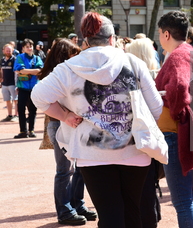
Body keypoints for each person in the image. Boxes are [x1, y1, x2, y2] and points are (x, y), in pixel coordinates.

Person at [31, 12, 163, 228]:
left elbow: (38, 97)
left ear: (86, 40)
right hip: (135, 150)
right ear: (112, 38)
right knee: (135, 212)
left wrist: (65, 115)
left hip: (91, 153)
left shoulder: (69, 68)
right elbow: (156, 107)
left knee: (109, 214)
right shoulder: (132, 62)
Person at [155, 11, 193, 228]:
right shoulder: (190, 52)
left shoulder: (179, 55)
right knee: (186, 198)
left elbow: (179, 87)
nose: (160, 38)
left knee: (182, 200)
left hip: (176, 134)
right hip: (186, 132)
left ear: (167, 34)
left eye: (160, 33)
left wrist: (176, 111)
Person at [36, 38, 96, 225]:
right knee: (65, 171)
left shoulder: (68, 72)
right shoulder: (54, 76)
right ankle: (65, 210)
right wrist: (67, 114)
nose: (77, 57)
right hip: (60, 126)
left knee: (80, 168)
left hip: (74, 126)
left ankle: (77, 204)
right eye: (73, 53)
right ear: (64, 55)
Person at [125, 37, 162, 228]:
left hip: (137, 141)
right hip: (151, 141)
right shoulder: (156, 75)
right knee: (148, 187)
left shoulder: (134, 75)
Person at [13, 38, 43, 138]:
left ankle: (31, 130)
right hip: (22, 88)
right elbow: (19, 70)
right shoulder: (20, 57)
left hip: (34, 88)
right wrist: (33, 71)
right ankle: (23, 131)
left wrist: (25, 71)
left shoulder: (37, 58)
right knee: (21, 109)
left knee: (33, 110)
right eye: (27, 47)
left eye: (30, 46)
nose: (29, 48)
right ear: (23, 48)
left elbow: (40, 70)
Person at [0, 44, 18, 122]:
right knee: (7, 100)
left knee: (15, 100)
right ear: (3, 51)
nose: (8, 52)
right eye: (6, 50)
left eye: (9, 50)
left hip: (13, 83)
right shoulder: (2, 60)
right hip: (4, 84)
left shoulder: (15, 59)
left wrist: (17, 84)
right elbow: (1, 70)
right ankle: (9, 115)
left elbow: (17, 72)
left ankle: (16, 115)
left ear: (12, 50)